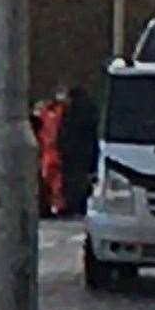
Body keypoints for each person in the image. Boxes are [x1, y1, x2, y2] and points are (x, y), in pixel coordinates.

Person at [58, 84, 100, 216]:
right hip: (85, 152)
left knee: (71, 181)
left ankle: (71, 206)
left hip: (72, 153)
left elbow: (64, 132)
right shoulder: (89, 111)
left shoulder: (70, 113)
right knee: (83, 181)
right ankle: (80, 206)